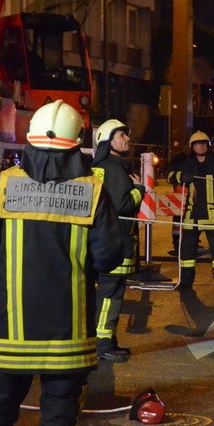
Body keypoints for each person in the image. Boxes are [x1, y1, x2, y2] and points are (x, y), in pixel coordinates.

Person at [0, 100, 124, 426]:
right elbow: (110, 255)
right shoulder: (92, 192)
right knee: (61, 401)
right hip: (69, 327)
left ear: (29, 142)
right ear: (76, 143)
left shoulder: (7, 184)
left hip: (14, 326)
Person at [90, 119, 145, 363]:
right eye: (122, 136)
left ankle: (105, 341)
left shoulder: (102, 167)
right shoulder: (114, 169)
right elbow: (122, 205)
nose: (127, 140)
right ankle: (102, 345)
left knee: (108, 293)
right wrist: (139, 190)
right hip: (117, 240)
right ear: (109, 140)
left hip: (104, 239)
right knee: (111, 294)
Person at [166, 131, 214, 291]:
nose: (200, 146)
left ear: (208, 146)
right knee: (187, 253)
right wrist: (181, 176)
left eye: (203, 143)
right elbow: (169, 176)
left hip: (212, 217)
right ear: (192, 147)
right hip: (191, 216)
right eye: (197, 143)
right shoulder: (187, 164)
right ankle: (186, 282)